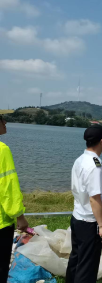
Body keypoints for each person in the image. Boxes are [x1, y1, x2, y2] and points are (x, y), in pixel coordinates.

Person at [66, 124, 102, 283]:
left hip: (78, 217)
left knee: (77, 258)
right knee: (87, 267)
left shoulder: (81, 159)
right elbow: (94, 198)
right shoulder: (95, 165)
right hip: (90, 222)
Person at [0, 115, 29, 283]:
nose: (5, 123)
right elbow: (8, 187)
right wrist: (19, 215)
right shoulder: (2, 149)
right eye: (2, 120)